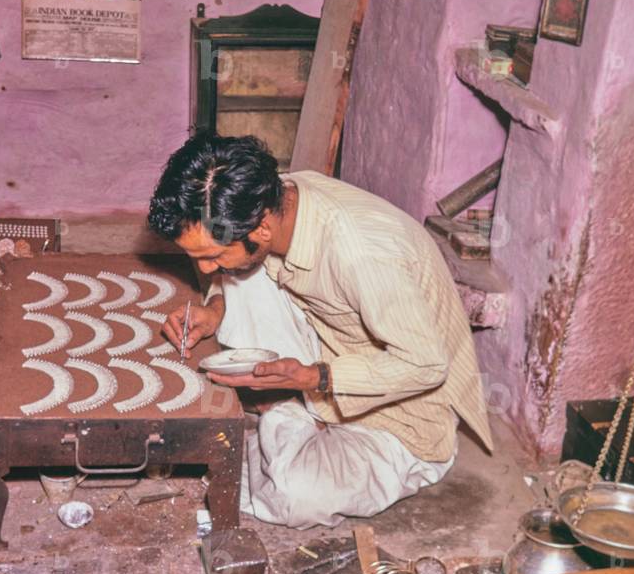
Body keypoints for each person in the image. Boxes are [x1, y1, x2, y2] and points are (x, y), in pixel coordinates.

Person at [148, 133, 493, 529]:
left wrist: (315, 377)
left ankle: (281, 410)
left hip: (400, 418)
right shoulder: (281, 196)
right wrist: (214, 308)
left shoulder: (363, 253)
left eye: (211, 256)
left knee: (298, 496)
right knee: (246, 270)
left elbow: (428, 366)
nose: (206, 269)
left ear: (260, 227)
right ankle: (292, 413)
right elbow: (239, 270)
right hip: (331, 345)